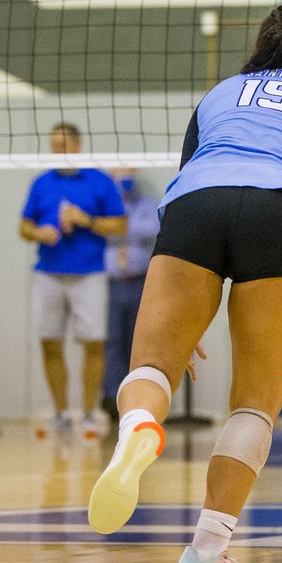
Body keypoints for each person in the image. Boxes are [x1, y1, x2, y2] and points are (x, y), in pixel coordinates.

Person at [87, 5, 282, 563]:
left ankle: (137, 426)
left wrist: (177, 326)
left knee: (151, 366)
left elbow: (184, 177)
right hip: (280, 205)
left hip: (197, 204)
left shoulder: (219, 93)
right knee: (255, 404)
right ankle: (207, 556)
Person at [19, 123, 126, 439]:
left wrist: (86, 221)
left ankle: (91, 414)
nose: (58, 150)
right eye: (54, 145)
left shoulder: (100, 181)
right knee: (49, 341)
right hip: (48, 273)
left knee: (94, 342)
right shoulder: (41, 183)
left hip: (89, 274)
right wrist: (39, 232)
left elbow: (119, 226)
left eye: (63, 144)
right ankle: (62, 414)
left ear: (77, 145)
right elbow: (24, 227)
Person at [102, 168, 160, 424]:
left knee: (139, 343)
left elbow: (152, 230)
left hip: (140, 283)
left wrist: (118, 227)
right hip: (111, 284)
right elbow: (100, 229)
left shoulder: (148, 205)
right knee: (112, 342)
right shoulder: (104, 203)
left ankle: (138, 400)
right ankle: (111, 398)